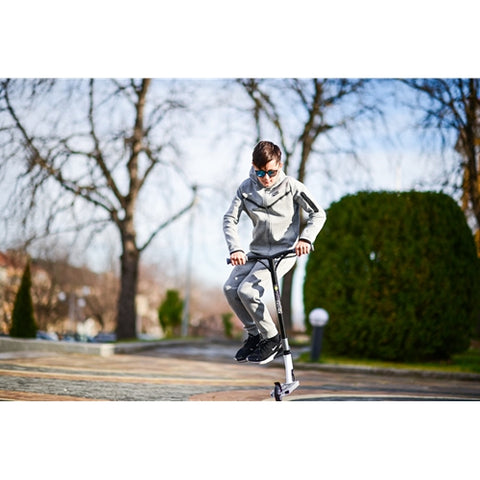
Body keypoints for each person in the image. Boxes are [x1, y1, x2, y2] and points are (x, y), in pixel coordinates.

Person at [223, 140, 326, 364]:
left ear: (280, 165)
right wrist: (236, 249)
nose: (266, 178)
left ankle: (272, 338)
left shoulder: (292, 186)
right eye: (260, 172)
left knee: (248, 291)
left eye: (271, 172)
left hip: (283, 253)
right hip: (256, 253)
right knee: (231, 288)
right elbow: (230, 219)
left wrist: (306, 238)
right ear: (253, 166)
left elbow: (318, 214)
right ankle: (254, 335)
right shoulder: (246, 189)